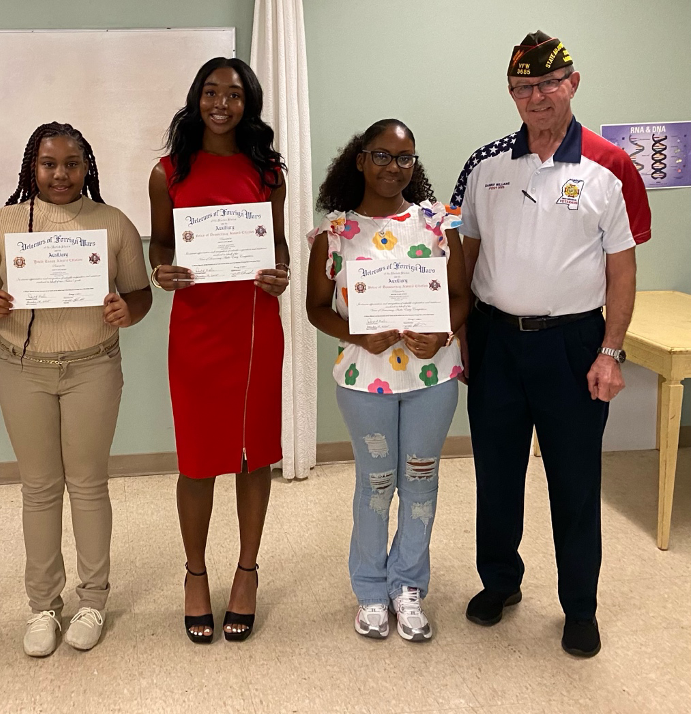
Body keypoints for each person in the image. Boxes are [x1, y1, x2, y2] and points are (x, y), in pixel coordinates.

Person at [451, 32, 650, 657]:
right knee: (497, 474)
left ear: (573, 83)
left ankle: (580, 607)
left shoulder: (611, 166)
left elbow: (622, 269)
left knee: (574, 480)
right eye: (522, 87)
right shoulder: (485, 165)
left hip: (573, 345)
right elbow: (466, 256)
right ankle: (500, 582)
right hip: (495, 341)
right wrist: (461, 333)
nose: (536, 97)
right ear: (511, 94)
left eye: (548, 83)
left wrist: (611, 351)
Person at [0, 122, 151, 657]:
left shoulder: (112, 223)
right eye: (49, 164)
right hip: (22, 370)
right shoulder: (3, 224)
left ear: (86, 166)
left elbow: (140, 294)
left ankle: (93, 600)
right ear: (33, 167)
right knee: (40, 488)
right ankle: (43, 605)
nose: (61, 174)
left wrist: (126, 311)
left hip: (94, 367)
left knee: (89, 485)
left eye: (72, 163)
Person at [306, 120, 468, 642]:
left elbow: (461, 297)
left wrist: (442, 333)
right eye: (381, 155)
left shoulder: (438, 224)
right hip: (364, 381)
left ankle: (408, 584)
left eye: (404, 158)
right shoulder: (334, 234)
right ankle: (371, 589)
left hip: (432, 378)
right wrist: (357, 333)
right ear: (360, 160)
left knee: (420, 480)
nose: (393, 167)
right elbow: (315, 308)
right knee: (376, 483)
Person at [148, 57, 289, 643]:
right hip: (196, 330)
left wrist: (280, 271)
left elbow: (278, 245)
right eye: (211, 92)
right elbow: (161, 243)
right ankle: (196, 573)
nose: (221, 104)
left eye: (233, 94)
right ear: (196, 98)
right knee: (198, 458)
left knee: (254, 455)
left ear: (248, 102)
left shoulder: (268, 171)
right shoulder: (167, 172)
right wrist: (162, 270)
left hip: (254, 328)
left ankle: (247, 571)